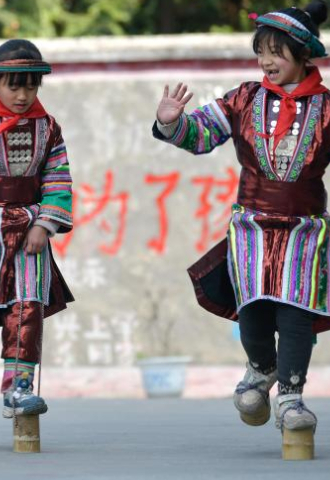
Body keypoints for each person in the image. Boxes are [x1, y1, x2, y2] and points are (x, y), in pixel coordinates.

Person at [152, 0, 330, 438]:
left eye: (276, 52)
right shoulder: (244, 98)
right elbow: (201, 133)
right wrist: (171, 122)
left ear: (303, 54)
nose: (266, 61)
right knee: (252, 307)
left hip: (304, 230)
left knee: (294, 312)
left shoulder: (328, 108)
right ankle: (260, 368)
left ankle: (290, 396)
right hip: (250, 227)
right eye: (261, 52)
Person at [0, 39, 74, 421]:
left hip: (29, 232)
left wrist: (45, 223)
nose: (23, 95)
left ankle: (19, 386)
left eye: (31, 86)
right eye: (14, 86)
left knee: (27, 307)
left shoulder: (49, 128)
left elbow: (58, 178)